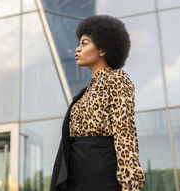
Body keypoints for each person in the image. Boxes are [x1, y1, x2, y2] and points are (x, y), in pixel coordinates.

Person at [50, 15, 145, 191]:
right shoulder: (83, 93)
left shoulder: (117, 79)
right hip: (75, 177)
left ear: (102, 49)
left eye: (84, 43)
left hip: (102, 177)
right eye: (79, 44)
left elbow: (125, 132)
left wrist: (130, 185)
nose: (77, 49)